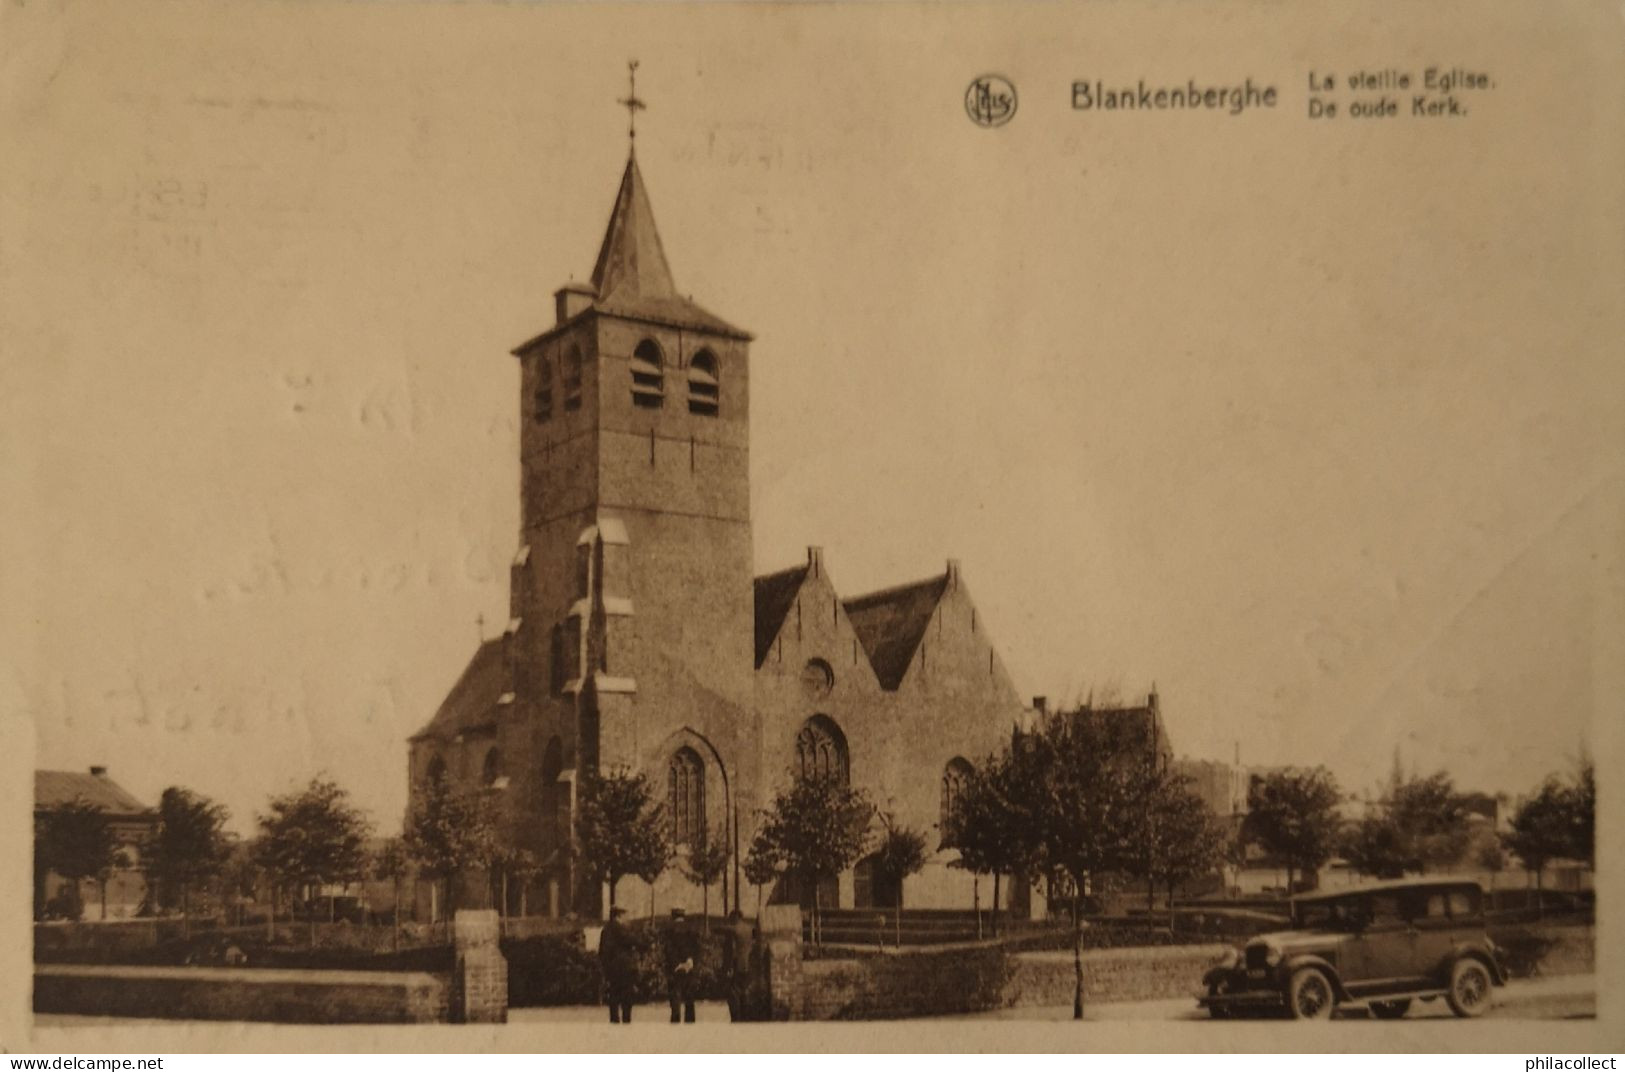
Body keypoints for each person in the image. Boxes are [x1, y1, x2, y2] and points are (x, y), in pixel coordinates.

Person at [599, 906, 636, 1024]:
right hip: (625, 967)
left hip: (612, 968)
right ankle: (626, 1022)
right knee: (626, 997)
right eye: (625, 915)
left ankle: (614, 1021)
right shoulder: (621, 929)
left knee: (613, 996)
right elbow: (633, 941)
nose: (627, 918)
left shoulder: (605, 930)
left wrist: (606, 968)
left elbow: (602, 951)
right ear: (619, 916)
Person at [662, 906, 699, 1023]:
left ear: (673, 916)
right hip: (689, 966)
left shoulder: (669, 930)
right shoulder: (691, 929)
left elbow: (668, 949)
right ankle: (690, 1024)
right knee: (689, 997)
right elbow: (697, 948)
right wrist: (690, 961)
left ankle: (675, 1022)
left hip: (675, 968)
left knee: (675, 996)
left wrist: (676, 964)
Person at [720, 909, 756, 1022]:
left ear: (734, 918)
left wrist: (729, 967)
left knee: (733, 992)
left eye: (731, 919)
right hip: (748, 964)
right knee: (744, 991)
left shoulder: (734, 930)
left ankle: (736, 1018)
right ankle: (746, 1016)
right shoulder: (749, 928)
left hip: (736, 965)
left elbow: (733, 950)